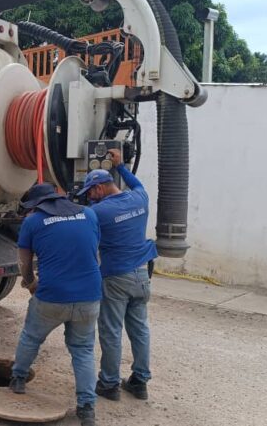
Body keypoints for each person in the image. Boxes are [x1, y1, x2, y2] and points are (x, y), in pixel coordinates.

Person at [10, 183, 102, 426]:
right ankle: (87, 407)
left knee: (31, 337)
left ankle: (18, 379)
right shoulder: (89, 214)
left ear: (38, 205)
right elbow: (95, 253)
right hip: (89, 295)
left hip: (52, 295)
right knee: (83, 350)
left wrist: (30, 284)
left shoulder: (33, 222)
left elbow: (24, 264)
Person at [77, 149, 157, 401]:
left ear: (99, 188)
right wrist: (120, 166)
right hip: (142, 276)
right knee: (140, 330)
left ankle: (109, 384)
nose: (89, 197)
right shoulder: (140, 198)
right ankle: (140, 382)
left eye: (90, 192)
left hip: (116, 278)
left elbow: (81, 224)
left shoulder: (99, 213)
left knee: (111, 331)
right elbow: (137, 183)